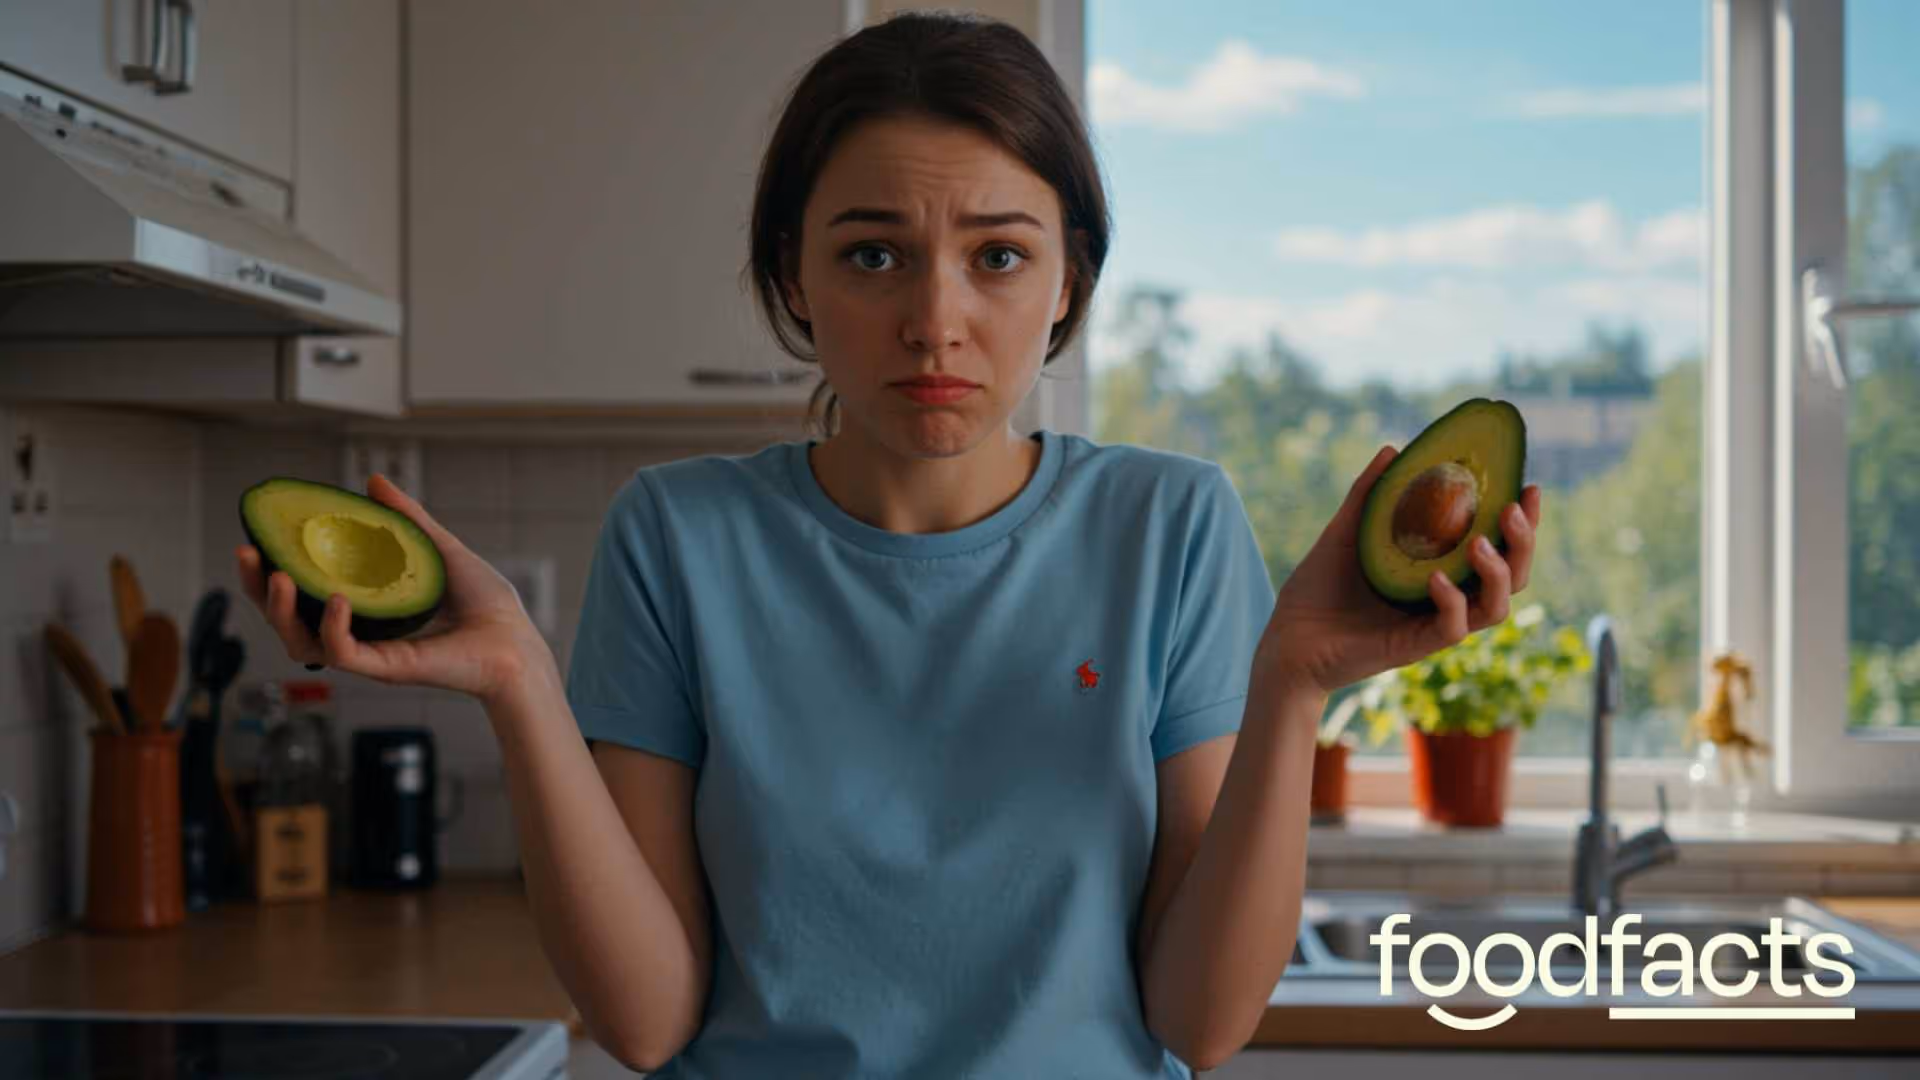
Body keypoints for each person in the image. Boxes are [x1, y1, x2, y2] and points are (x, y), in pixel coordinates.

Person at [235, 11, 1541, 1078]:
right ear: (795, 278)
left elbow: (1200, 1024)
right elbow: (646, 1023)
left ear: (1070, 282)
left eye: (998, 257)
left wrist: (1293, 686)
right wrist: (517, 681)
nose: (936, 321)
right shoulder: (678, 535)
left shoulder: (1172, 524)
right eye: (872, 256)